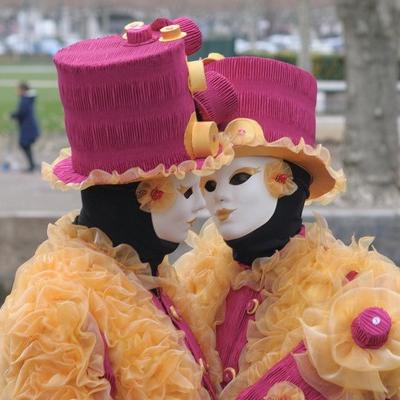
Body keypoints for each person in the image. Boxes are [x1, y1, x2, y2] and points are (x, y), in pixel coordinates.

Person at [0, 18, 237, 399]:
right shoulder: (59, 307)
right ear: (136, 195)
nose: (201, 209)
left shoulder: (148, 272)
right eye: (185, 191)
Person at [176, 56, 400, 399]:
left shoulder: (353, 289)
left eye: (238, 177)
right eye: (207, 184)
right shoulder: (193, 282)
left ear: (291, 182)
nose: (218, 197)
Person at [10, 81, 40, 172]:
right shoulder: (27, 98)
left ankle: (32, 166)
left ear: (23, 90)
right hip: (28, 126)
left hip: (28, 127)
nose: (17, 91)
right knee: (25, 145)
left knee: (24, 144)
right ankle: (32, 164)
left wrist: (13, 115)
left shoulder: (25, 99)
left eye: (18, 89)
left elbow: (22, 112)